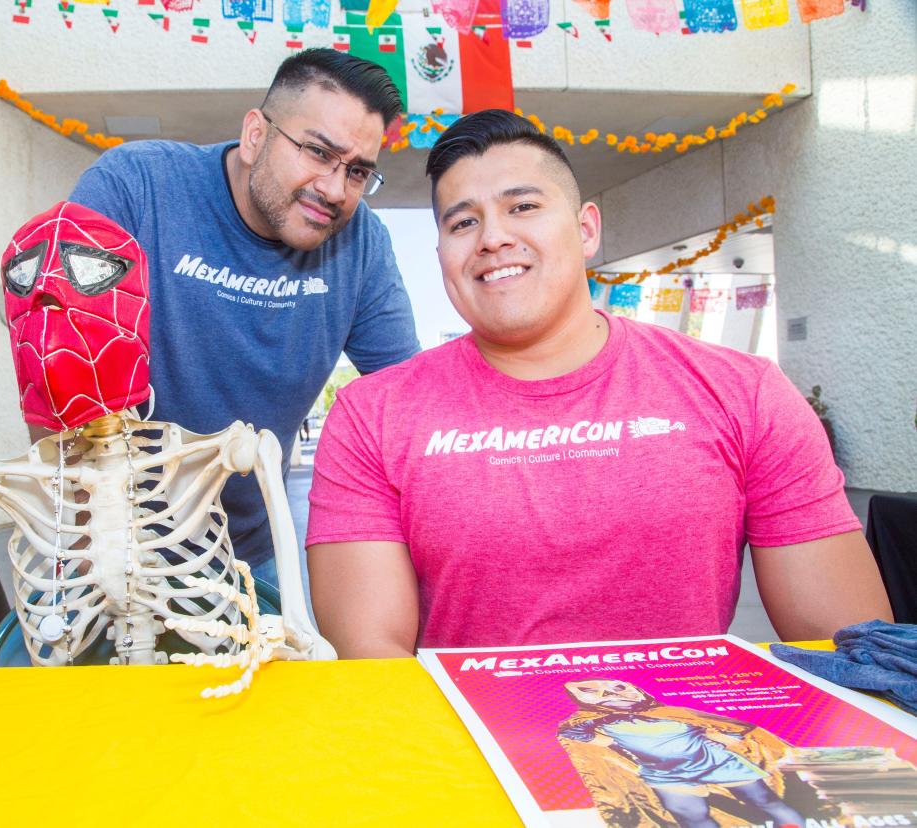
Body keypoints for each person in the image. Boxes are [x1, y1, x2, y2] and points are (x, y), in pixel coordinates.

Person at [305, 109, 891, 656]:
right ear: (442, 253)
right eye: (463, 221)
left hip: (690, 747)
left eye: (524, 206)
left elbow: (846, 645)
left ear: (586, 230)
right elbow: (374, 658)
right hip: (466, 755)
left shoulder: (744, 393)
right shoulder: (371, 416)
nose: (492, 238)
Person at [66, 49, 419, 582]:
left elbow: (404, 400)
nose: (333, 188)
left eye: (358, 171)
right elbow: (55, 344)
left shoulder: (362, 241)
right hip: (104, 543)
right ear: (256, 134)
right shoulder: (135, 185)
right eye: (318, 152)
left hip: (249, 551)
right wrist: (91, 531)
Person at [558, 680, 804, 828]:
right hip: (665, 776)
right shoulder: (590, 722)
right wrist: (610, 737)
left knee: (767, 801)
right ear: (578, 698)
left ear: (636, 690)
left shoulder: (675, 712)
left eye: (619, 687)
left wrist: (721, 738)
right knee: (693, 818)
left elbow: (734, 729)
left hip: (717, 762)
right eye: (589, 690)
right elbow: (575, 733)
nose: (609, 694)